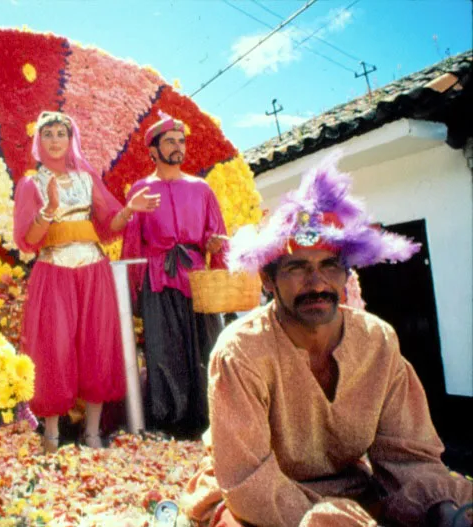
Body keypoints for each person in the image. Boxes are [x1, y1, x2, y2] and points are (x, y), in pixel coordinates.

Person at [181, 156, 472, 527]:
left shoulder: (378, 341)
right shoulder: (241, 351)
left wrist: (441, 509)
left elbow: (408, 457)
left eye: (328, 266)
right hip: (250, 499)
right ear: (268, 282)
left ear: (344, 274)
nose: (316, 283)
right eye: (296, 267)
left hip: (350, 493)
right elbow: (247, 478)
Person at [13, 110, 160, 453]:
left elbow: (109, 227)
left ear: (70, 139)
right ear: (39, 141)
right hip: (53, 269)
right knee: (53, 347)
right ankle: (51, 433)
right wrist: (49, 207)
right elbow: (29, 240)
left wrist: (131, 209)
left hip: (94, 268)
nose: (54, 140)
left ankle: (92, 432)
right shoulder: (30, 184)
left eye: (60, 133)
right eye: (47, 133)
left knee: (98, 344)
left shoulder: (86, 178)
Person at [120, 111, 228, 439]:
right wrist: (134, 292)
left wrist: (215, 251)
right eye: (169, 142)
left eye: (181, 141)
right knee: (162, 348)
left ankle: (210, 419)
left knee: (206, 346)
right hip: (157, 277)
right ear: (153, 150)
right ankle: (168, 423)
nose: (178, 147)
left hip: (196, 276)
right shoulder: (141, 189)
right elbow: (131, 244)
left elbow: (218, 235)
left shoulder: (201, 189)